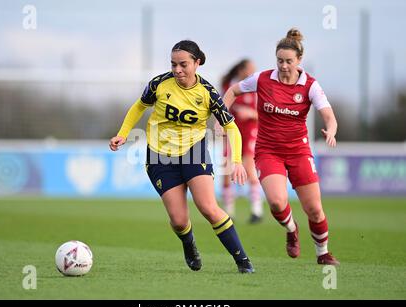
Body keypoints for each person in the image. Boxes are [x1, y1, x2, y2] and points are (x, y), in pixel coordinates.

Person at [109, 40, 254, 273]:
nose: (177, 70)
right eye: (173, 64)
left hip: (193, 151)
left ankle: (243, 261)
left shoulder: (208, 93)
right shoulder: (159, 84)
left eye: (183, 64)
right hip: (159, 156)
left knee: (208, 207)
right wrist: (123, 134)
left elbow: (231, 127)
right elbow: (139, 106)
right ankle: (189, 244)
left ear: (197, 63)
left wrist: (236, 161)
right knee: (178, 220)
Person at [223, 28, 340, 265]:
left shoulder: (310, 86)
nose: (284, 66)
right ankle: (291, 228)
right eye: (279, 60)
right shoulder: (263, 78)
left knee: (315, 209)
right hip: (268, 151)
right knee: (277, 202)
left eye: (288, 61)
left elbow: (329, 115)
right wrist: (222, 118)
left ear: (299, 61)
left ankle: (323, 254)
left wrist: (332, 130)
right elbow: (232, 91)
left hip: (299, 151)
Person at [220, 59, 264, 224]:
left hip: (250, 131)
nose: (253, 72)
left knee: (250, 168)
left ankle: (256, 210)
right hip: (231, 133)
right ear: (241, 70)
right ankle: (228, 213)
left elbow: (266, 114)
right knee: (226, 171)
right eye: (251, 69)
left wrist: (251, 114)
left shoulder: (256, 88)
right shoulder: (228, 87)